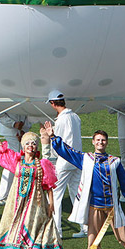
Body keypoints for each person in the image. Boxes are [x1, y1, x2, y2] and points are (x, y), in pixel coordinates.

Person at [44, 122, 125, 249]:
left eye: (103, 140)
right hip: (95, 207)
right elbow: (67, 152)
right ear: (93, 142)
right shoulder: (86, 159)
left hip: (113, 207)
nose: (101, 142)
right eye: (98, 140)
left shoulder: (115, 161)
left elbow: (124, 180)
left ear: (107, 142)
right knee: (93, 238)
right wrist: (52, 136)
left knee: (124, 236)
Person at [0, 122, 64, 249]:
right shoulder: (16, 161)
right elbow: (2, 149)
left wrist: (51, 203)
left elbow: (48, 185)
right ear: (23, 146)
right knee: (16, 233)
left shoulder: (41, 164)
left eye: (33, 143)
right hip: (17, 205)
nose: (31, 146)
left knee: (35, 233)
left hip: (35, 205)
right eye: (27, 143)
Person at [47, 90, 85, 239]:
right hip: (77, 159)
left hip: (65, 160)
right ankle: (85, 226)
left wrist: (54, 157)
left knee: (56, 195)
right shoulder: (75, 116)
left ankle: (57, 231)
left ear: (53, 103)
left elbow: (58, 142)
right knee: (77, 193)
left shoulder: (61, 120)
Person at [0, 108, 30, 204]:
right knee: (12, 162)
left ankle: (8, 194)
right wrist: (13, 124)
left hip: (21, 130)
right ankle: (3, 196)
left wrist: (23, 127)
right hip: (10, 131)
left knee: (18, 161)